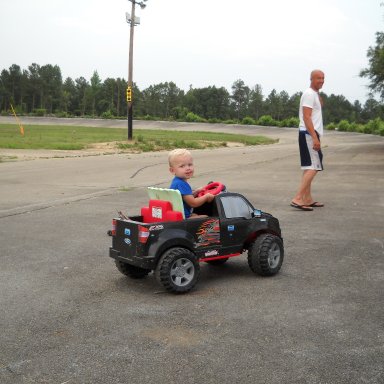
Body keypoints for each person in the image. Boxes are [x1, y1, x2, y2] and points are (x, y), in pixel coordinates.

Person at [291, 69, 325, 211]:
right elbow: (306, 117)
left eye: (323, 78)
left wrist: (318, 93)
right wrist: (315, 137)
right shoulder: (309, 94)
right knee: (314, 166)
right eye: (318, 78)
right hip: (309, 134)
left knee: (308, 167)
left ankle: (307, 198)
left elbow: (320, 107)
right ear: (311, 79)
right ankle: (298, 198)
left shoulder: (314, 94)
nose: (322, 81)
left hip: (308, 134)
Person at [168, 148, 214, 218]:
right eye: (182, 166)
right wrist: (206, 197)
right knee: (207, 218)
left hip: (182, 215)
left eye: (190, 164)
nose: (188, 168)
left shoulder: (177, 182)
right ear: (172, 170)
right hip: (183, 218)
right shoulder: (181, 184)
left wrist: (197, 191)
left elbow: (185, 197)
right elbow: (193, 203)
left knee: (196, 215)